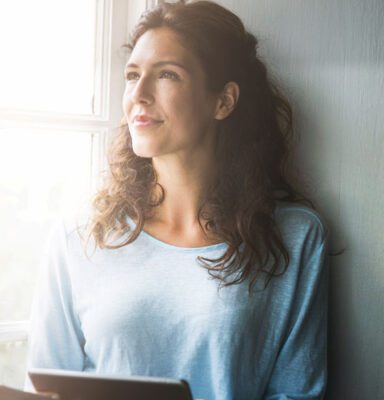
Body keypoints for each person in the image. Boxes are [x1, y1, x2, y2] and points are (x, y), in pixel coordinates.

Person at [24, 1, 329, 399]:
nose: (139, 95)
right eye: (133, 75)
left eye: (167, 74)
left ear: (224, 101)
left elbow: (298, 393)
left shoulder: (294, 237)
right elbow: (47, 388)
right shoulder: (79, 237)